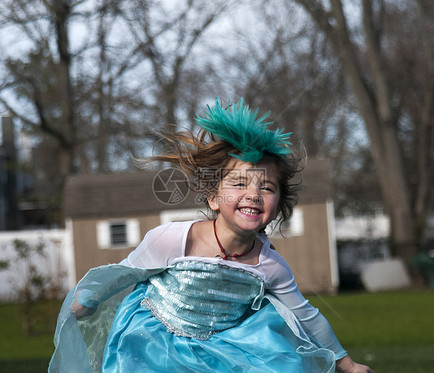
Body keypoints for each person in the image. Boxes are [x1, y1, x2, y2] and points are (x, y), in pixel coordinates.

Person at [49, 99, 374, 373]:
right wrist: (86, 302)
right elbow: (125, 272)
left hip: (223, 348)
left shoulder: (270, 266)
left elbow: (307, 316)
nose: (254, 194)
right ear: (214, 198)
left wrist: (347, 364)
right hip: (154, 341)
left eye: (267, 187)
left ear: (277, 206)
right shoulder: (174, 239)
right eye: (239, 184)